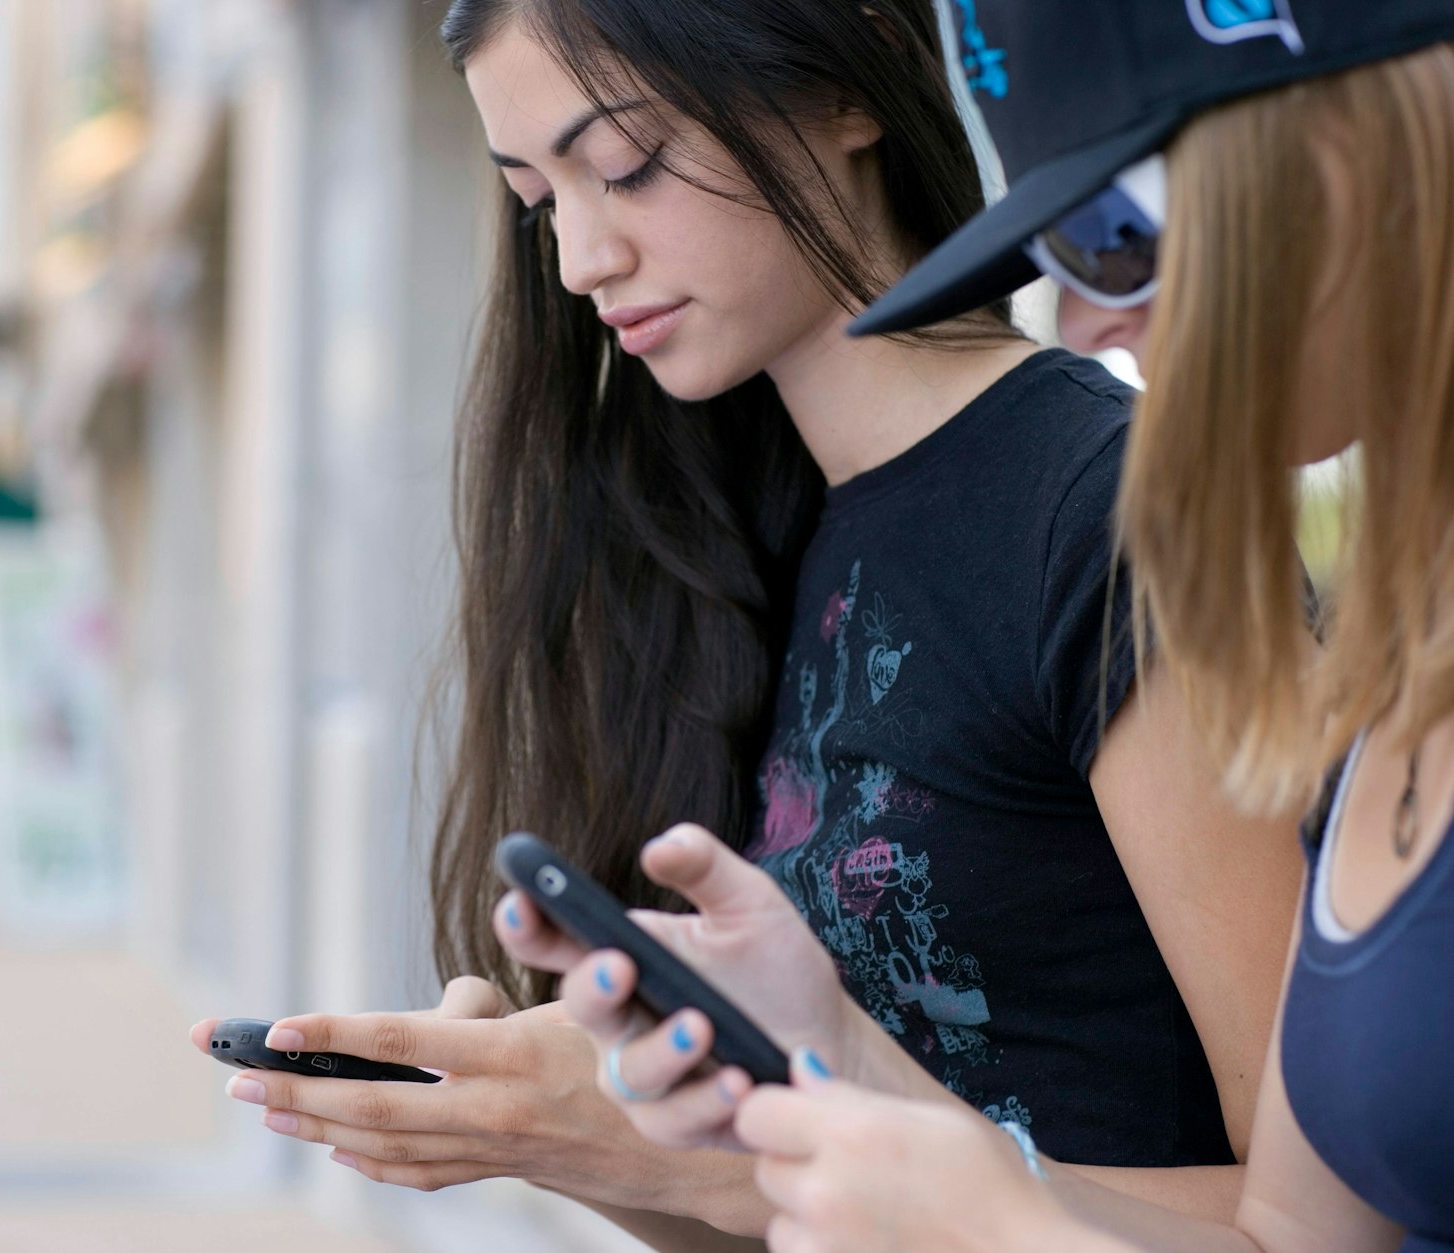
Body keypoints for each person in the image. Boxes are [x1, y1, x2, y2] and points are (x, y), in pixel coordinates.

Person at [191, 0, 1304, 1243]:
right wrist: (579, 1132)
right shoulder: (715, 534)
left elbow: (1317, 1223)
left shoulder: (1103, 511)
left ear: (846, 88)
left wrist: (724, 1160)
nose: (578, 260)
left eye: (625, 164)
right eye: (538, 202)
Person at [506, 2, 1454, 1250]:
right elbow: (1309, 1232)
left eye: (1113, 237)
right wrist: (825, 1067)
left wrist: (961, 1214)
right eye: (1052, 249)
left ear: (1338, 157)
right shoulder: (1405, 672)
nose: (1078, 323)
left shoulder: (1084, 510)